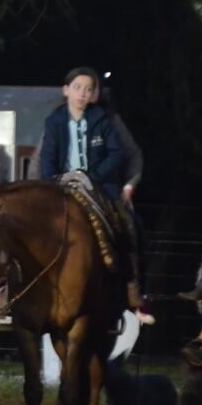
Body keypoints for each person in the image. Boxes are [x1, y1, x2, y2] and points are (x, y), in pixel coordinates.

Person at [39, 67, 144, 312]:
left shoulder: (102, 120)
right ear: (66, 90)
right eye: (77, 88)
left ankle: (133, 286)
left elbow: (116, 154)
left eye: (88, 89)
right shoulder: (54, 123)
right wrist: (56, 181)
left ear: (94, 94)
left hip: (99, 185)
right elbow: (47, 160)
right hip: (62, 187)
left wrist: (92, 176)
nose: (82, 94)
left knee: (129, 224)